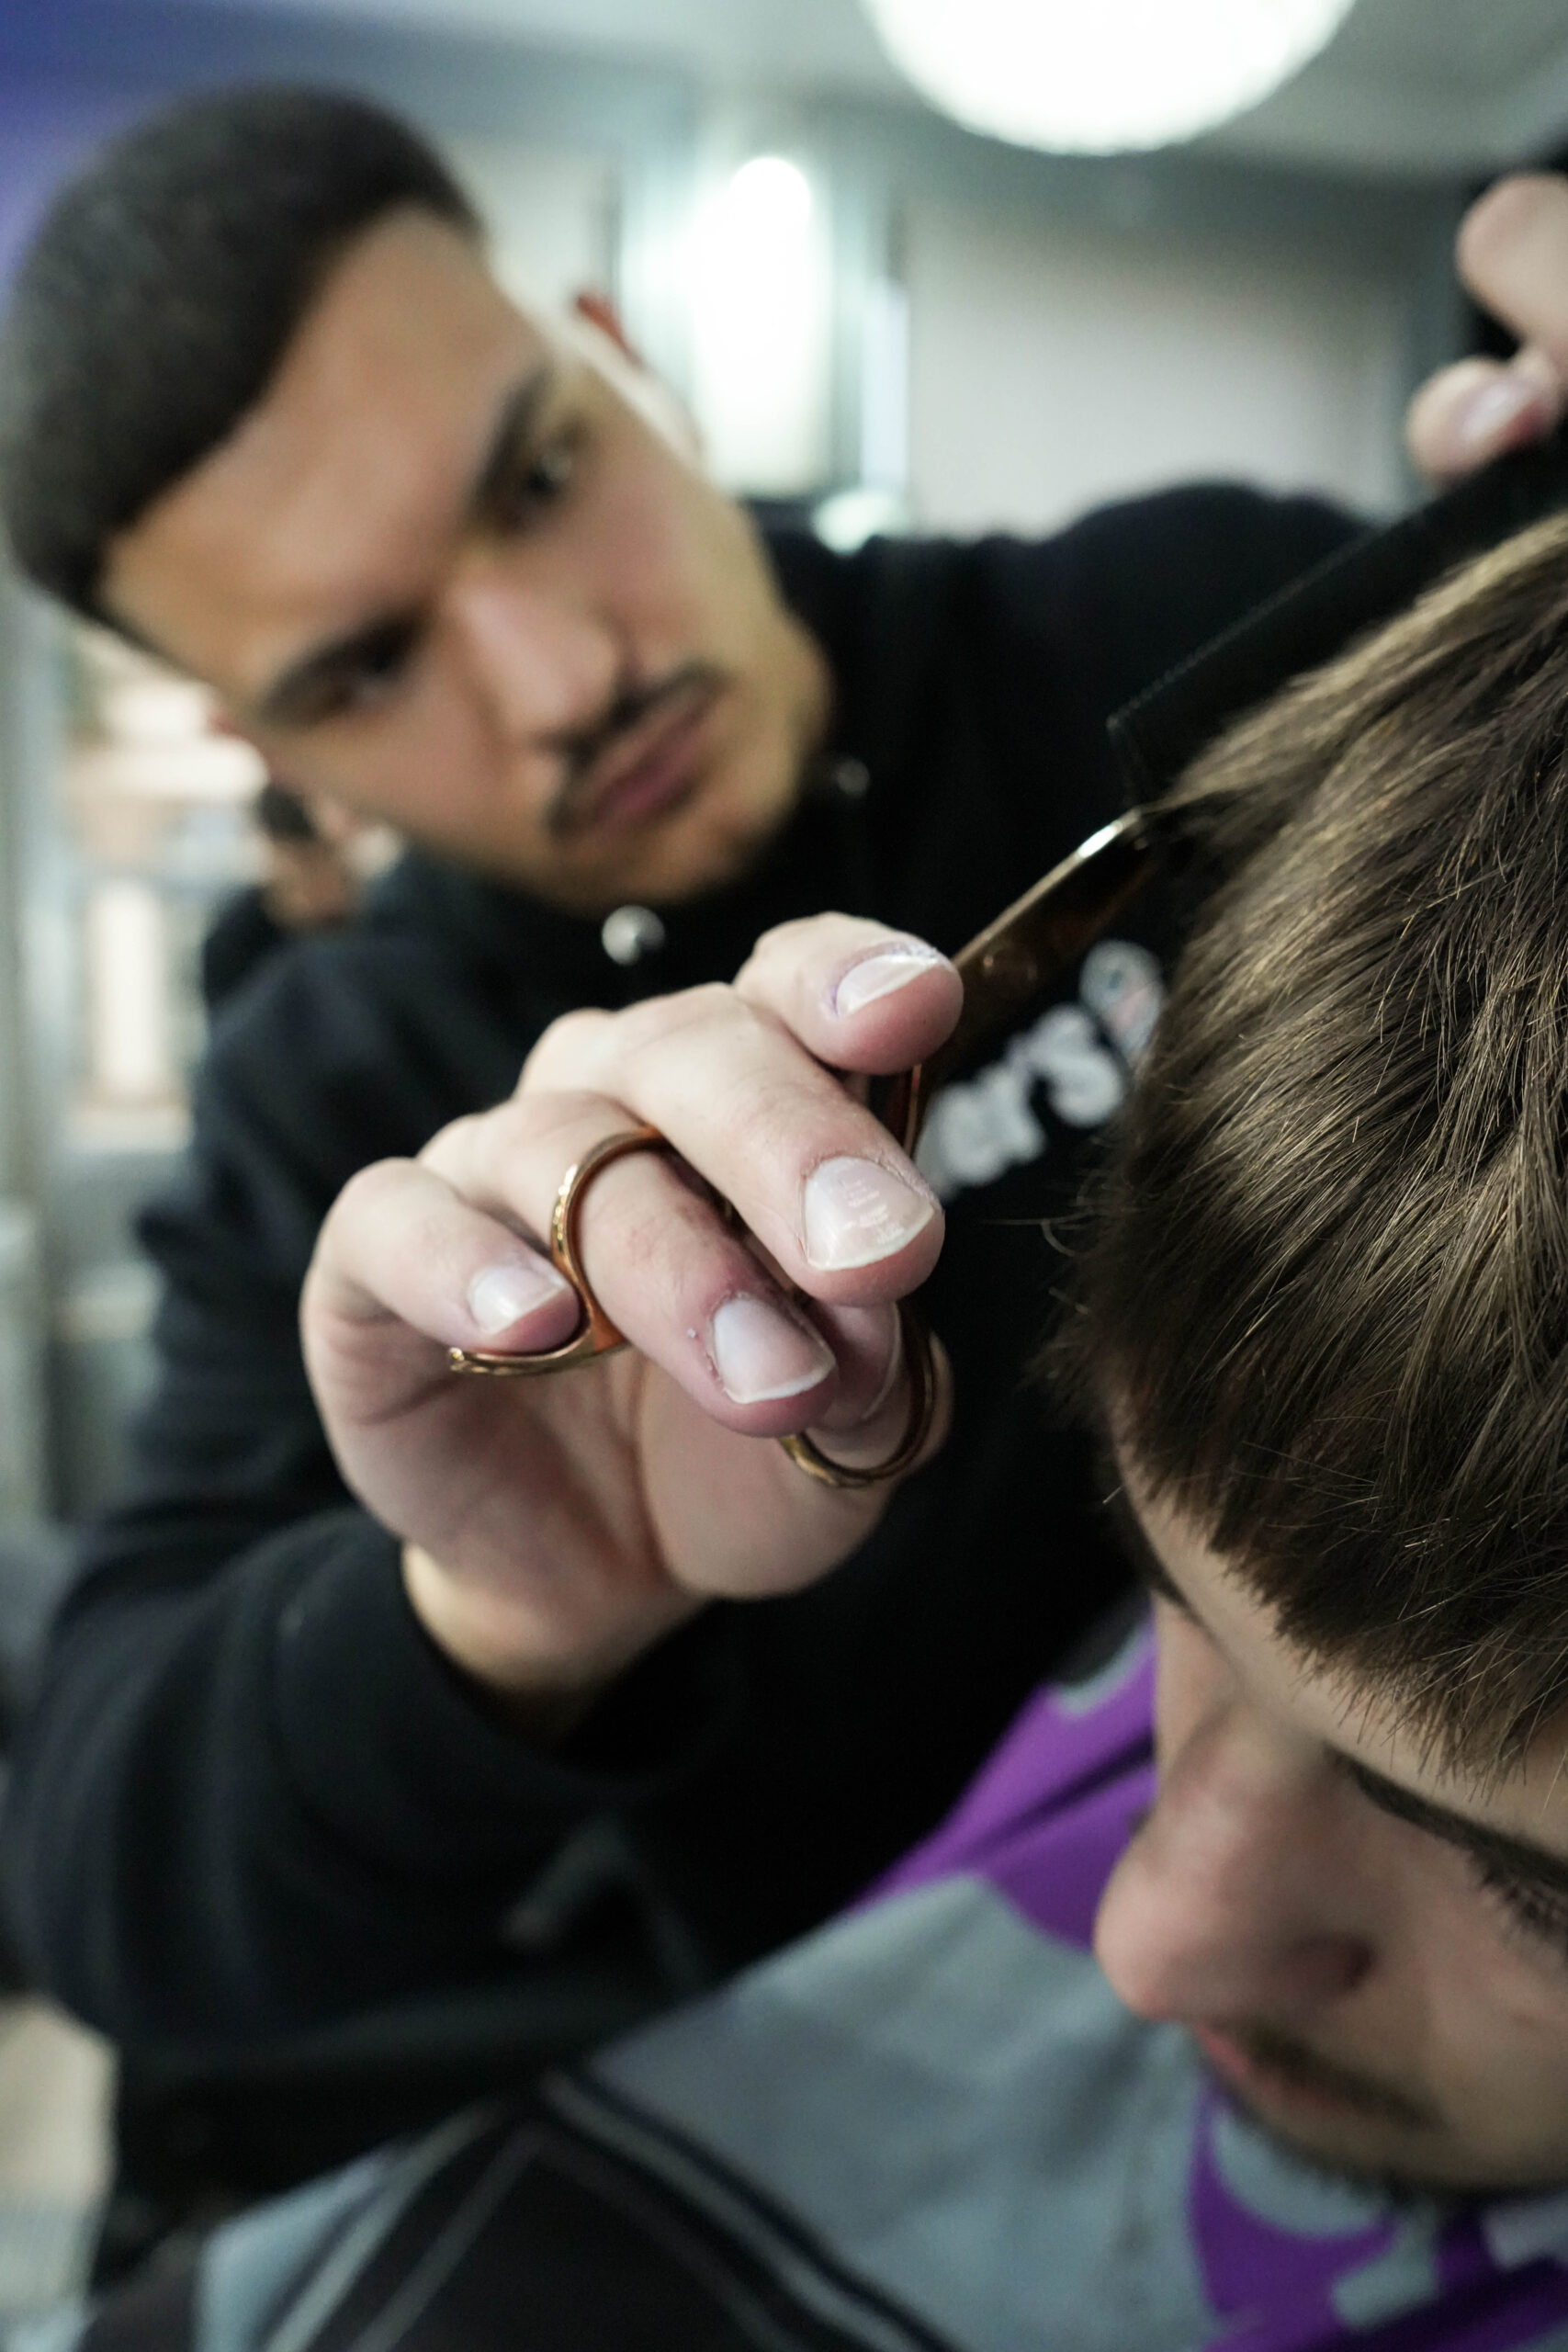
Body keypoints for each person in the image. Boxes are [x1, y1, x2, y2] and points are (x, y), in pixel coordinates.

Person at [0, 85, 1561, 2200]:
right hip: (914, 2123)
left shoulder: (1190, 629)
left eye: (537, 477)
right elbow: (111, 1879)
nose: (565, 675)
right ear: (261, 741)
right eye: (365, 667)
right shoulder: (338, 1099)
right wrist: (505, 1610)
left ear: (610, 349)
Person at [199, 780, 365, 1014]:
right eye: (304, 860)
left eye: (327, 857)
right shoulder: (236, 939)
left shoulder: (376, 921)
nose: (319, 878)